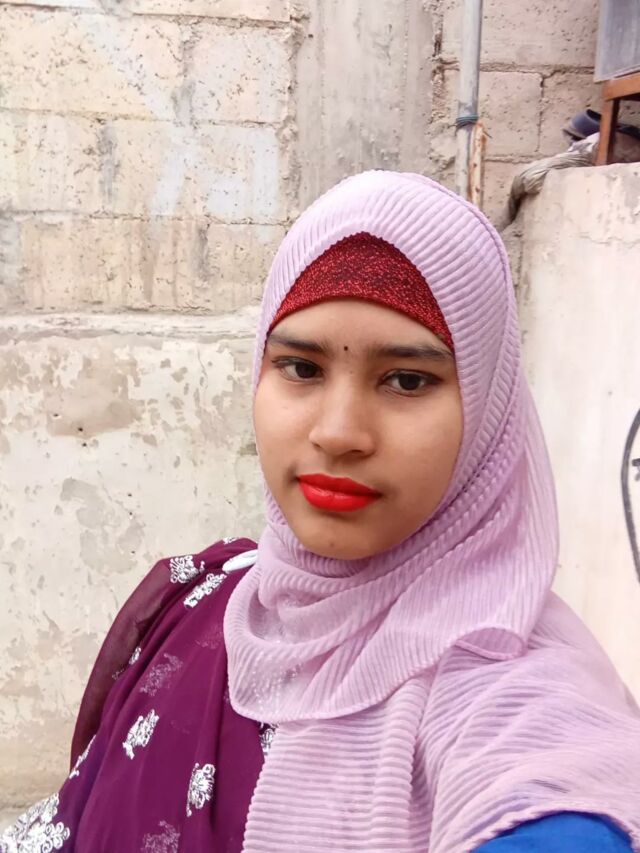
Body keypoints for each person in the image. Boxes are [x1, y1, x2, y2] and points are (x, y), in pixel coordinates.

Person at [2, 171, 639, 853]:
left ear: (489, 409)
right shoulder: (202, 602)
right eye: (301, 368)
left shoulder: (520, 709)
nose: (338, 433)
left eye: (407, 379)